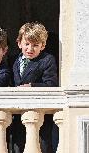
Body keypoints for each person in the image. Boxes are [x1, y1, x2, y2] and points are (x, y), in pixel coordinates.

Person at [11, 22, 58, 153]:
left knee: (41, 147)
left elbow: (51, 84)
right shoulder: (13, 60)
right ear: (19, 43)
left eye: (35, 45)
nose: (30, 49)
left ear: (42, 46)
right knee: (17, 147)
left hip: (40, 117)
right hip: (18, 116)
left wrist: (32, 86)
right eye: (27, 44)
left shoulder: (47, 60)